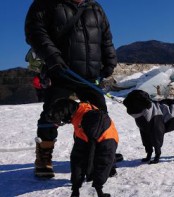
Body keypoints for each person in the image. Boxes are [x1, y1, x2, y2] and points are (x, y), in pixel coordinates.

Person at [25, 0, 117, 178]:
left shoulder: (95, 8)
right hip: (60, 71)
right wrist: (52, 57)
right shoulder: (45, 4)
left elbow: (105, 37)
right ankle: (44, 158)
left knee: (99, 117)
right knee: (51, 115)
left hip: (90, 74)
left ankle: (96, 154)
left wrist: (110, 60)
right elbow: (35, 32)